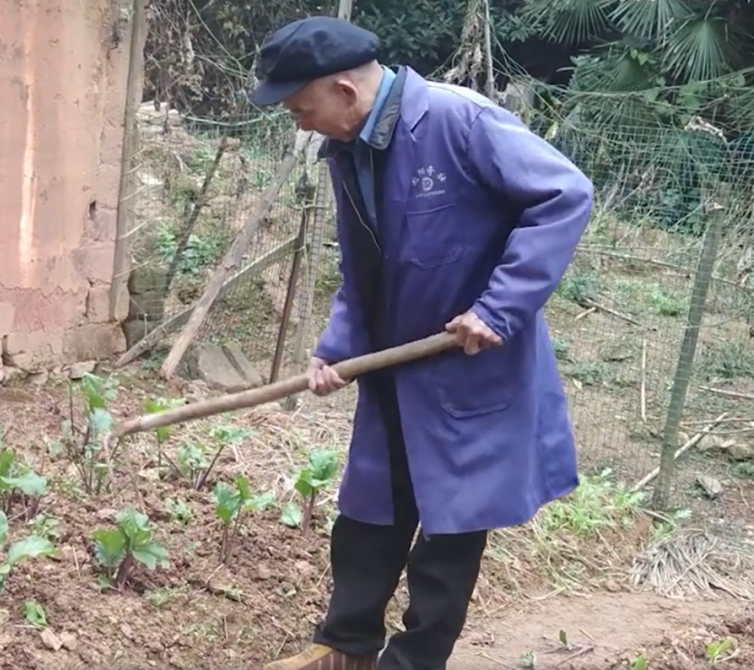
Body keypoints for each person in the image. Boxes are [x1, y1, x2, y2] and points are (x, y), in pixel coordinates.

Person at [250, 16, 594, 670]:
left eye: (301, 107)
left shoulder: (460, 122)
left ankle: (411, 663)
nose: (298, 122)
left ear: (345, 92)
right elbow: (364, 271)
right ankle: (345, 646)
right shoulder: (348, 152)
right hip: (392, 373)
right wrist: (336, 348)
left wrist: (499, 306)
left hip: (470, 369)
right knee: (368, 514)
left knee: (450, 534)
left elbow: (564, 194)